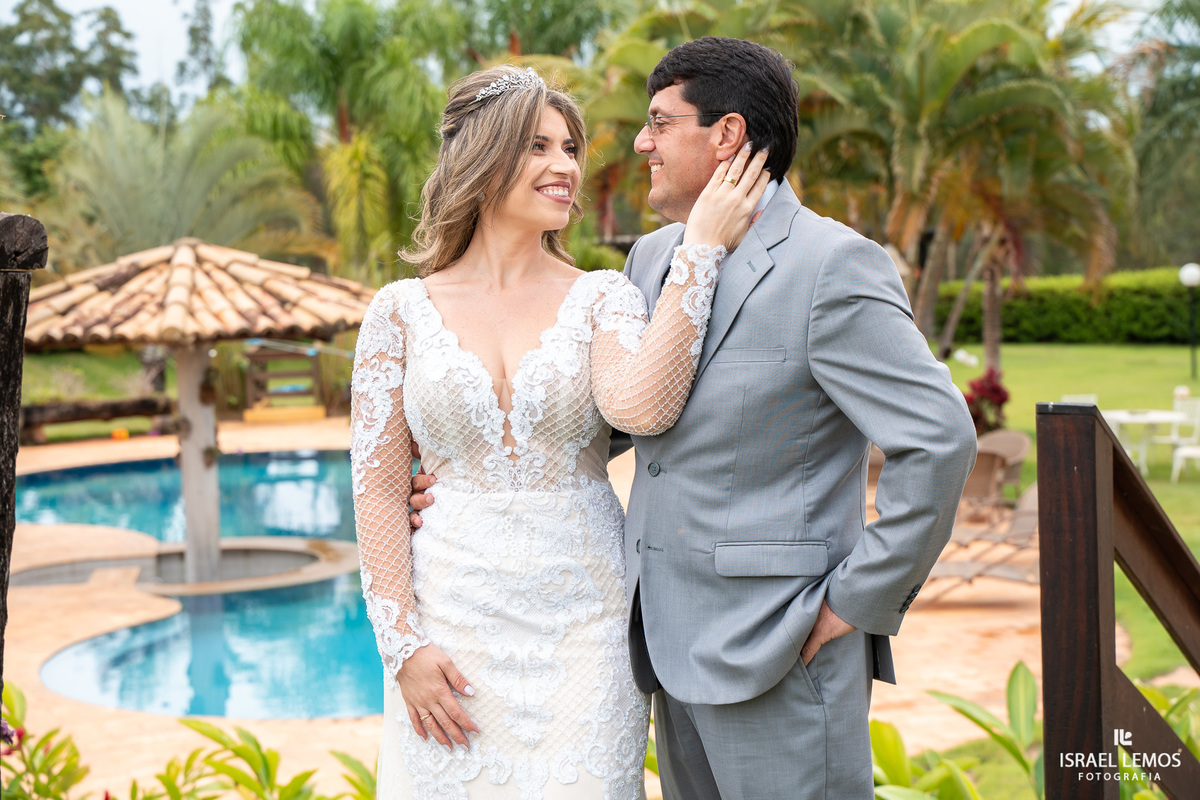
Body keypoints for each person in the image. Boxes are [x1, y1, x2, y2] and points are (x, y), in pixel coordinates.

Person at [413, 39, 977, 799]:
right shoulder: (650, 259)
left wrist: (856, 602)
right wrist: (479, 463)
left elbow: (939, 439)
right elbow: (617, 412)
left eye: (659, 122)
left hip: (784, 646)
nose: (640, 142)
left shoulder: (832, 267)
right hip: (659, 650)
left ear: (728, 135)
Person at [351, 64, 769, 799]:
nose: (565, 166)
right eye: (540, 146)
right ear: (483, 157)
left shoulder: (602, 296)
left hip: (586, 625)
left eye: (571, 148)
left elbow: (643, 409)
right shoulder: (399, 312)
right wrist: (402, 646)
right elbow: (380, 491)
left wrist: (698, 249)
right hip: (450, 624)